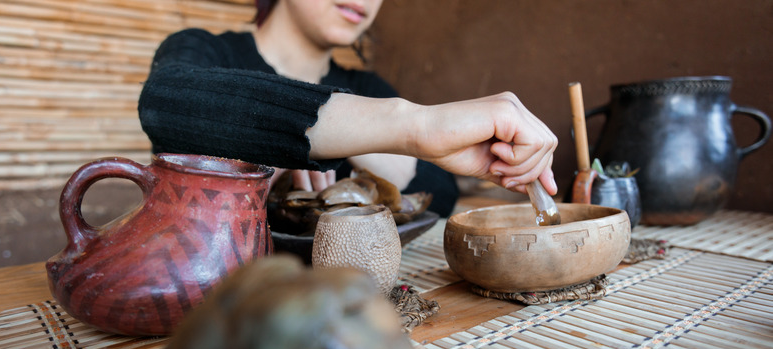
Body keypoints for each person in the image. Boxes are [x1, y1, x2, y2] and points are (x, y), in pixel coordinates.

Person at [138, 0, 558, 217]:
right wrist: (405, 124)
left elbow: (439, 194)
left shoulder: (368, 91)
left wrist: (370, 137)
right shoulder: (204, 51)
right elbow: (166, 102)